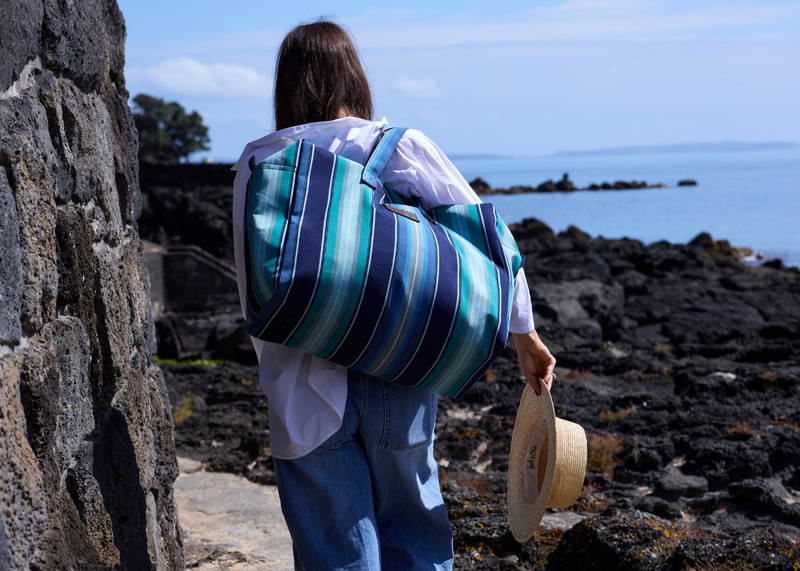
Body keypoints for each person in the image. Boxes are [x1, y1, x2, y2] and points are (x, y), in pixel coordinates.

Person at [231, 20, 556, 571]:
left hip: (301, 386)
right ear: (352, 76)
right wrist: (523, 335)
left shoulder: (259, 162)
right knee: (415, 534)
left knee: (336, 549)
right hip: (397, 369)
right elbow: (487, 238)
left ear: (284, 86)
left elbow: (253, 282)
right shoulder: (397, 144)